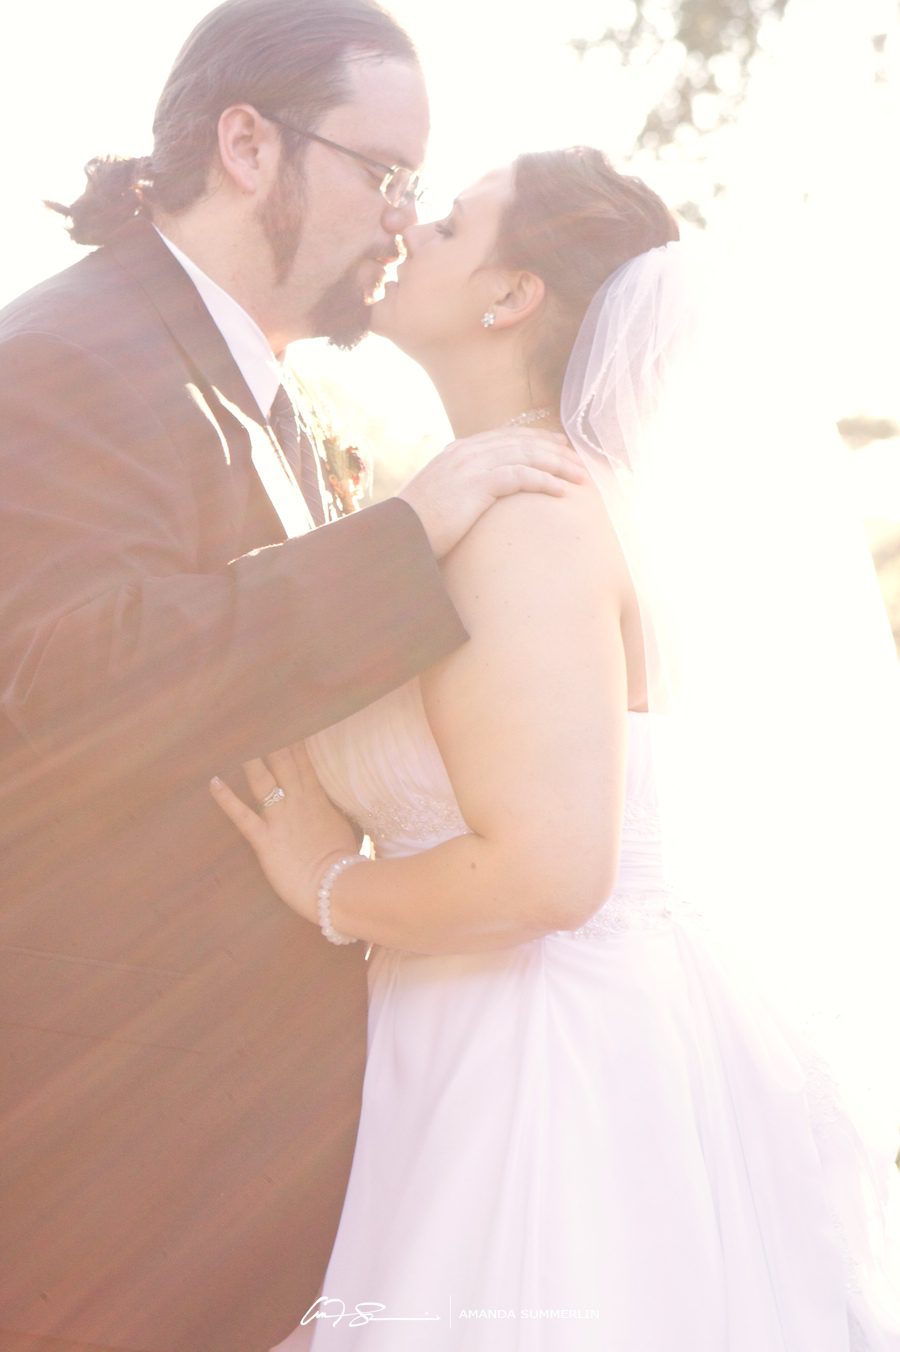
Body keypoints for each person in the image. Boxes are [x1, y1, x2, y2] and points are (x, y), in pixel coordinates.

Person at [214, 147, 900, 1349]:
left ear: (510, 293)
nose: (409, 225)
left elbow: (546, 872)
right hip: (464, 1029)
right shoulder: (480, 496)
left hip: (544, 1067)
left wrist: (327, 885)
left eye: (452, 219)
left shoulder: (527, 517)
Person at [0, 2, 583, 1347]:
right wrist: (412, 534)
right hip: (113, 1161)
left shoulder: (256, 385)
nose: (401, 218)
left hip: (244, 1165)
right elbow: (87, 680)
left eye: (420, 191)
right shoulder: (62, 360)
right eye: (386, 174)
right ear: (249, 145)